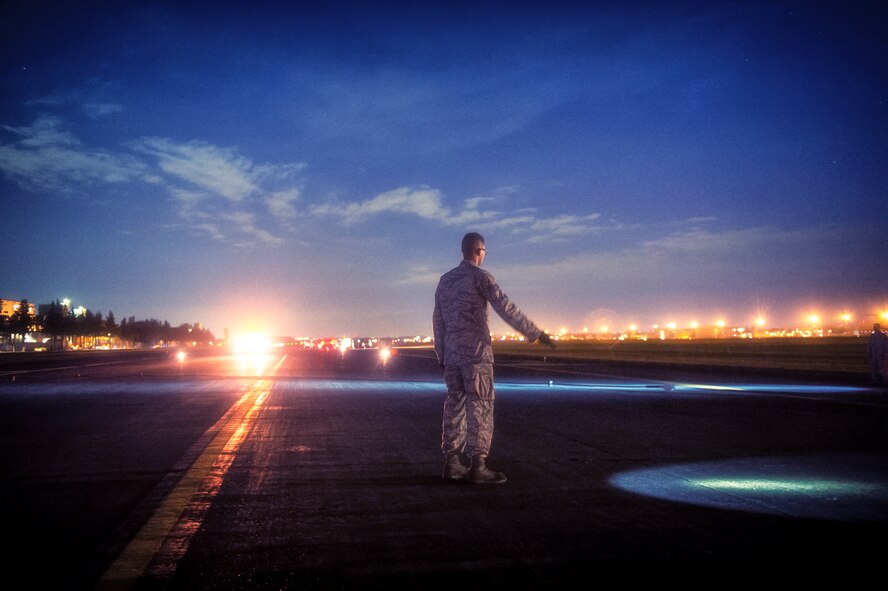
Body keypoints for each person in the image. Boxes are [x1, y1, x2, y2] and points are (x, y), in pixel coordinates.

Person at [433, 232, 554, 484]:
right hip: (475, 355)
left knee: (454, 405)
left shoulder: (445, 281)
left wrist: (441, 352)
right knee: (481, 406)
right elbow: (505, 307)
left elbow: (438, 320)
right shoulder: (481, 277)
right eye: (484, 251)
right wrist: (536, 333)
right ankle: (479, 466)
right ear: (479, 251)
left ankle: (452, 462)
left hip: (453, 355)